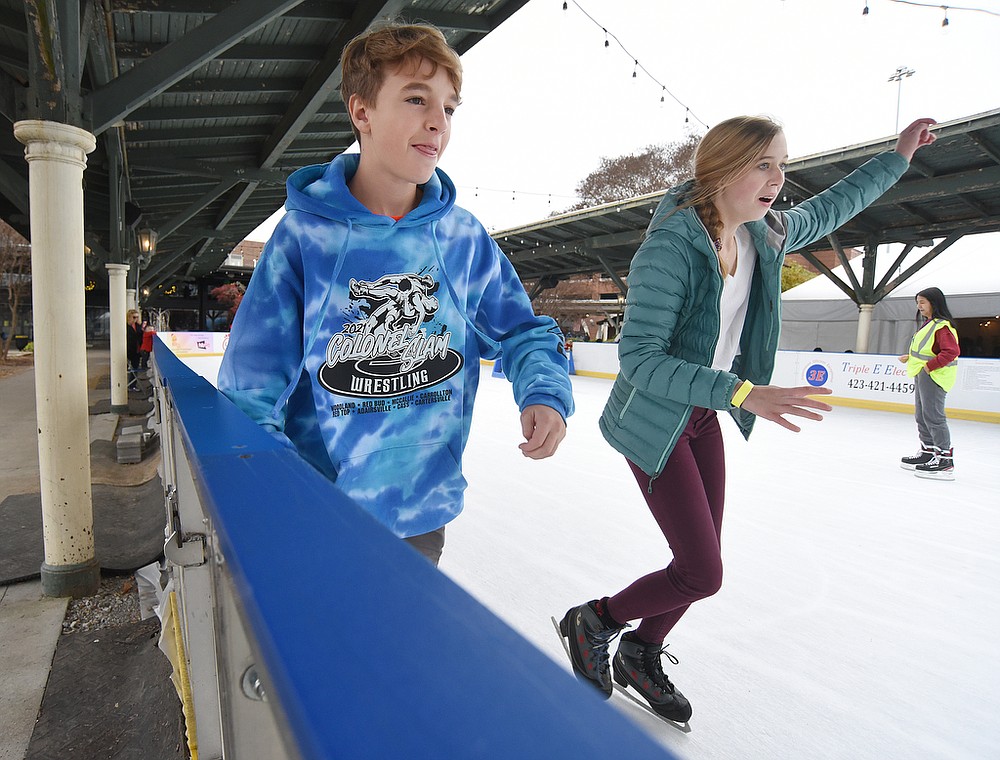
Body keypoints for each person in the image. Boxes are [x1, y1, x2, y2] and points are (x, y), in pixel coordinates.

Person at [557, 116, 937, 724]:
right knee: (702, 572)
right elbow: (640, 360)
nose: (778, 180)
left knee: (698, 562)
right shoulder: (672, 247)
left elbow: (832, 206)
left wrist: (897, 156)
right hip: (655, 421)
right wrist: (743, 393)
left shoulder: (764, 233)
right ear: (721, 170)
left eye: (782, 165)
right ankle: (595, 620)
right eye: (763, 165)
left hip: (705, 414)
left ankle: (640, 652)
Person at [217, 23, 573, 566]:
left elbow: (524, 330)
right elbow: (251, 385)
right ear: (362, 112)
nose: (438, 122)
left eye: (450, 108)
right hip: (321, 506)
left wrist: (544, 391)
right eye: (415, 99)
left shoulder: (460, 237)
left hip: (420, 510)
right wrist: (277, 485)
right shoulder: (306, 239)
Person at [897, 287, 959, 480]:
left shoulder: (942, 326)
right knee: (922, 415)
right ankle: (928, 451)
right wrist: (911, 357)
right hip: (924, 373)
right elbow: (929, 349)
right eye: (918, 302)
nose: (919, 306)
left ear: (935, 303)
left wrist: (930, 366)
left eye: (923, 302)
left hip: (934, 375)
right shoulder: (929, 324)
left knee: (934, 416)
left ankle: (944, 459)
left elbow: (951, 351)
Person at [125, 309, 143, 388]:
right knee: (126, 367)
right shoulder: (126, 327)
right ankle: (126, 385)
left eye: (137, 317)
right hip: (129, 350)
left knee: (135, 367)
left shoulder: (138, 326)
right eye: (134, 317)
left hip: (137, 350)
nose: (135, 319)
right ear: (129, 317)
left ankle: (132, 385)